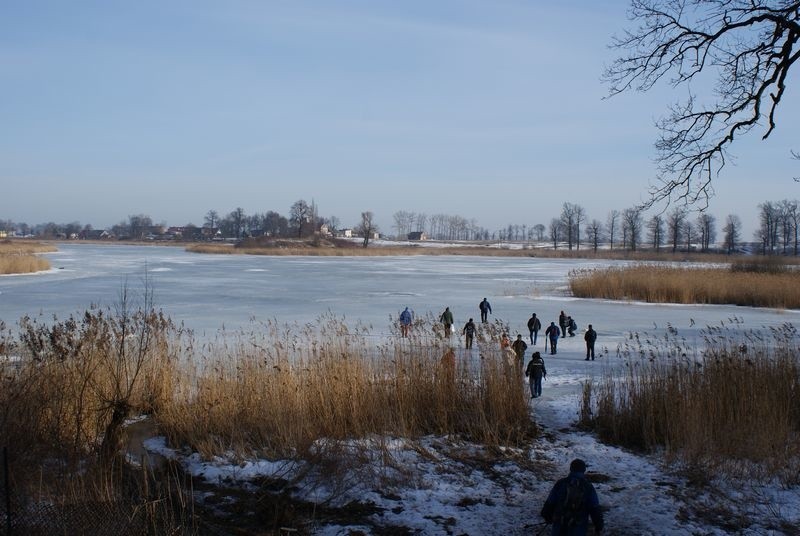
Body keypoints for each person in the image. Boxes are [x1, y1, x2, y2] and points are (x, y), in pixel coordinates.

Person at [541, 458, 604, 535]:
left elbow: (550, 502)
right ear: (584, 470)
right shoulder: (588, 486)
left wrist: (548, 517)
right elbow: (595, 508)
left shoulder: (561, 483)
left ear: (571, 469)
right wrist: (599, 526)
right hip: (578, 528)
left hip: (559, 527)